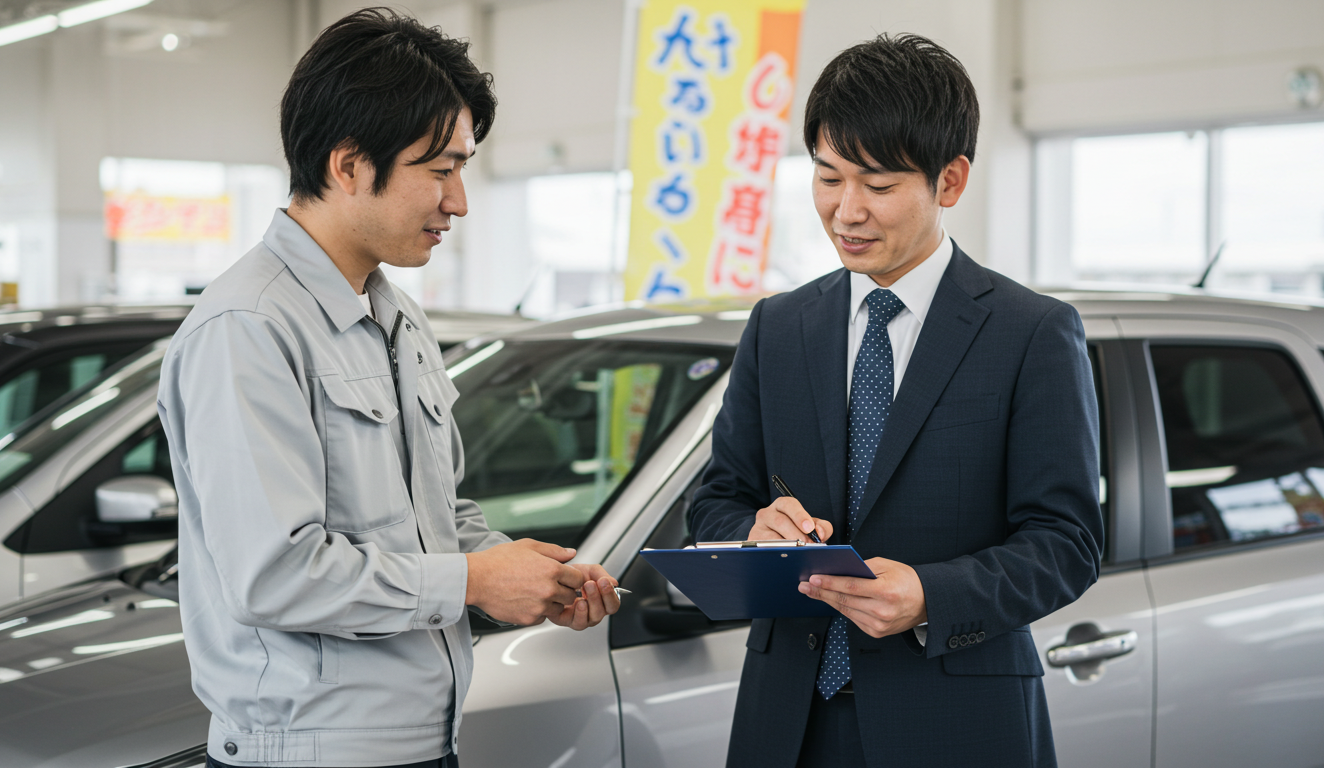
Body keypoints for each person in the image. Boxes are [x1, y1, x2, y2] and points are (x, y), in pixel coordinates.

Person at [157, 10, 621, 768]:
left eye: (462, 169)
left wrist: (520, 572)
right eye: (439, 171)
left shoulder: (394, 313)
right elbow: (274, 575)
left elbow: (432, 515)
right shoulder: (248, 328)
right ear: (347, 165)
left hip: (419, 741)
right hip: (307, 753)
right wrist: (472, 581)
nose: (459, 201)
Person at [691, 34, 1102, 768]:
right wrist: (754, 530)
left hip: (955, 722)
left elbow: (1066, 543)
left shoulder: (1031, 332)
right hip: (788, 720)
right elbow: (717, 499)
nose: (846, 211)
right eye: (827, 178)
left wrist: (930, 595)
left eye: (877, 186)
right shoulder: (779, 327)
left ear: (950, 180)